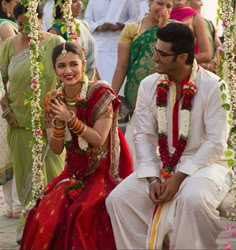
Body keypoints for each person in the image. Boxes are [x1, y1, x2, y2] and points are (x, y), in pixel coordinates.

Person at [106, 22, 232, 249]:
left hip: (207, 165)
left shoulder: (214, 86)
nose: (154, 58)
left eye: (162, 54)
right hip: (162, 165)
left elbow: (216, 142)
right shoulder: (149, 85)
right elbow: (143, 135)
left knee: (192, 201)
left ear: (183, 57)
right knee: (119, 200)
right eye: (156, 50)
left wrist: (179, 177)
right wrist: (153, 177)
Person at [19, 41, 133, 250]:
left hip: (101, 172)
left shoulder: (101, 93)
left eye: (73, 64)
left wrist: (69, 118)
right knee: (45, 209)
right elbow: (56, 148)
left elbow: (98, 138)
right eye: (61, 66)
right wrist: (59, 123)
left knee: (80, 212)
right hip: (72, 173)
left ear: (83, 63)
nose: (68, 71)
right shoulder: (54, 99)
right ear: (55, 69)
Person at [0, 2, 65, 240]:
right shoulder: (8, 46)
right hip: (19, 125)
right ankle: (30, 232)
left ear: (41, 20)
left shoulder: (55, 43)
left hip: (49, 123)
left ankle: (54, 230)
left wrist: (60, 114)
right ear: (14, 23)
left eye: (32, 23)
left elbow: (67, 77)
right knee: (26, 182)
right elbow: (2, 82)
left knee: (53, 178)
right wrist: (7, 111)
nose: (27, 29)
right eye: (21, 25)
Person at [112, 0, 173, 167]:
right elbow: (122, 66)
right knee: (140, 142)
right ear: (150, 3)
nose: (163, 10)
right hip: (138, 95)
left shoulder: (177, 30)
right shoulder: (132, 30)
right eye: (159, 3)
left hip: (169, 94)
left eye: (169, 6)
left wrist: (164, 31)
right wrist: (111, 96)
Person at [0, 0, 22, 219]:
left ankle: (12, 204)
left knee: (6, 150)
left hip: (4, 90)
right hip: (9, 90)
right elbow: (19, 54)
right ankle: (16, 204)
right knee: (12, 148)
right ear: (5, 4)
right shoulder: (6, 25)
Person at [84, 0, 140, 84]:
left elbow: (135, 18)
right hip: (100, 44)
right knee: (101, 78)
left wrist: (122, 25)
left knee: (119, 73)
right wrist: (99, 27)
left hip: (119, 42)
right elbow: (87, 20)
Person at [48, 0, 97, 80]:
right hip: (70, 80)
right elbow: (53, 65)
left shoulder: (84, 25)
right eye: (74, 1)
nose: (79, 4)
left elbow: (91, 60)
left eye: (80, 0)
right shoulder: (55, 31)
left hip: (89, 79)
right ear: (62, 5)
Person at [188, 0, 222, 73]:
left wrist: (213, 62)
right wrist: (203, 66)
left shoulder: (208, 23)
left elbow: (219, 47)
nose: (202, 4)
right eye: (198, 0)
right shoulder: (177, 22)